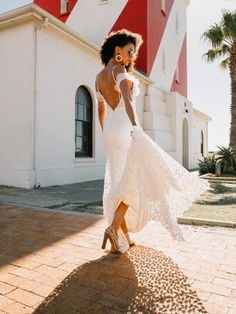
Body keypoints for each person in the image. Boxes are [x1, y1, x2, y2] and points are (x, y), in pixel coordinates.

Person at [95, 29, 209, 254]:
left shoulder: (98, 77)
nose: (131, 57)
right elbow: (127, 101)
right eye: (129, 51)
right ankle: (113, 227)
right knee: (134, 181)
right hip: (125, 127)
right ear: (117, 50)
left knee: (119, 182)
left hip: (110, 131)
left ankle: (123, 237)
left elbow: (100, 108)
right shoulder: (118, 70)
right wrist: (135, 127)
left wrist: (105, 131)